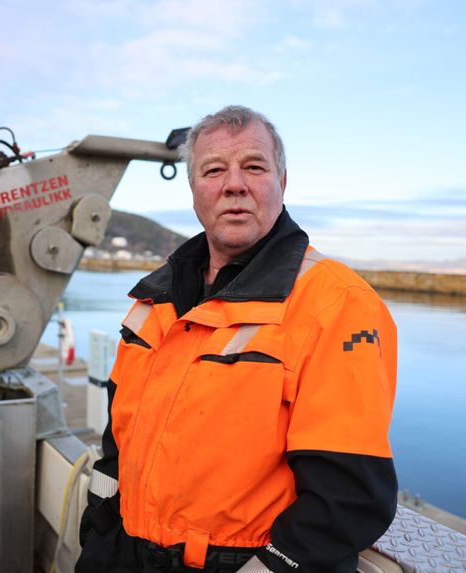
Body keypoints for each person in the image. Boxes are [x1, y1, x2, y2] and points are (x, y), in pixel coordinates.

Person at [76, 105, 398, 573]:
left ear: (281, 182)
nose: (234, 184)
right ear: (194, 190)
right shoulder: (154, 300)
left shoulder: (336, 304)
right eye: (213, 170)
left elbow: (348, 498)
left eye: (254, 166)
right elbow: (116, 445)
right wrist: (98, 534)